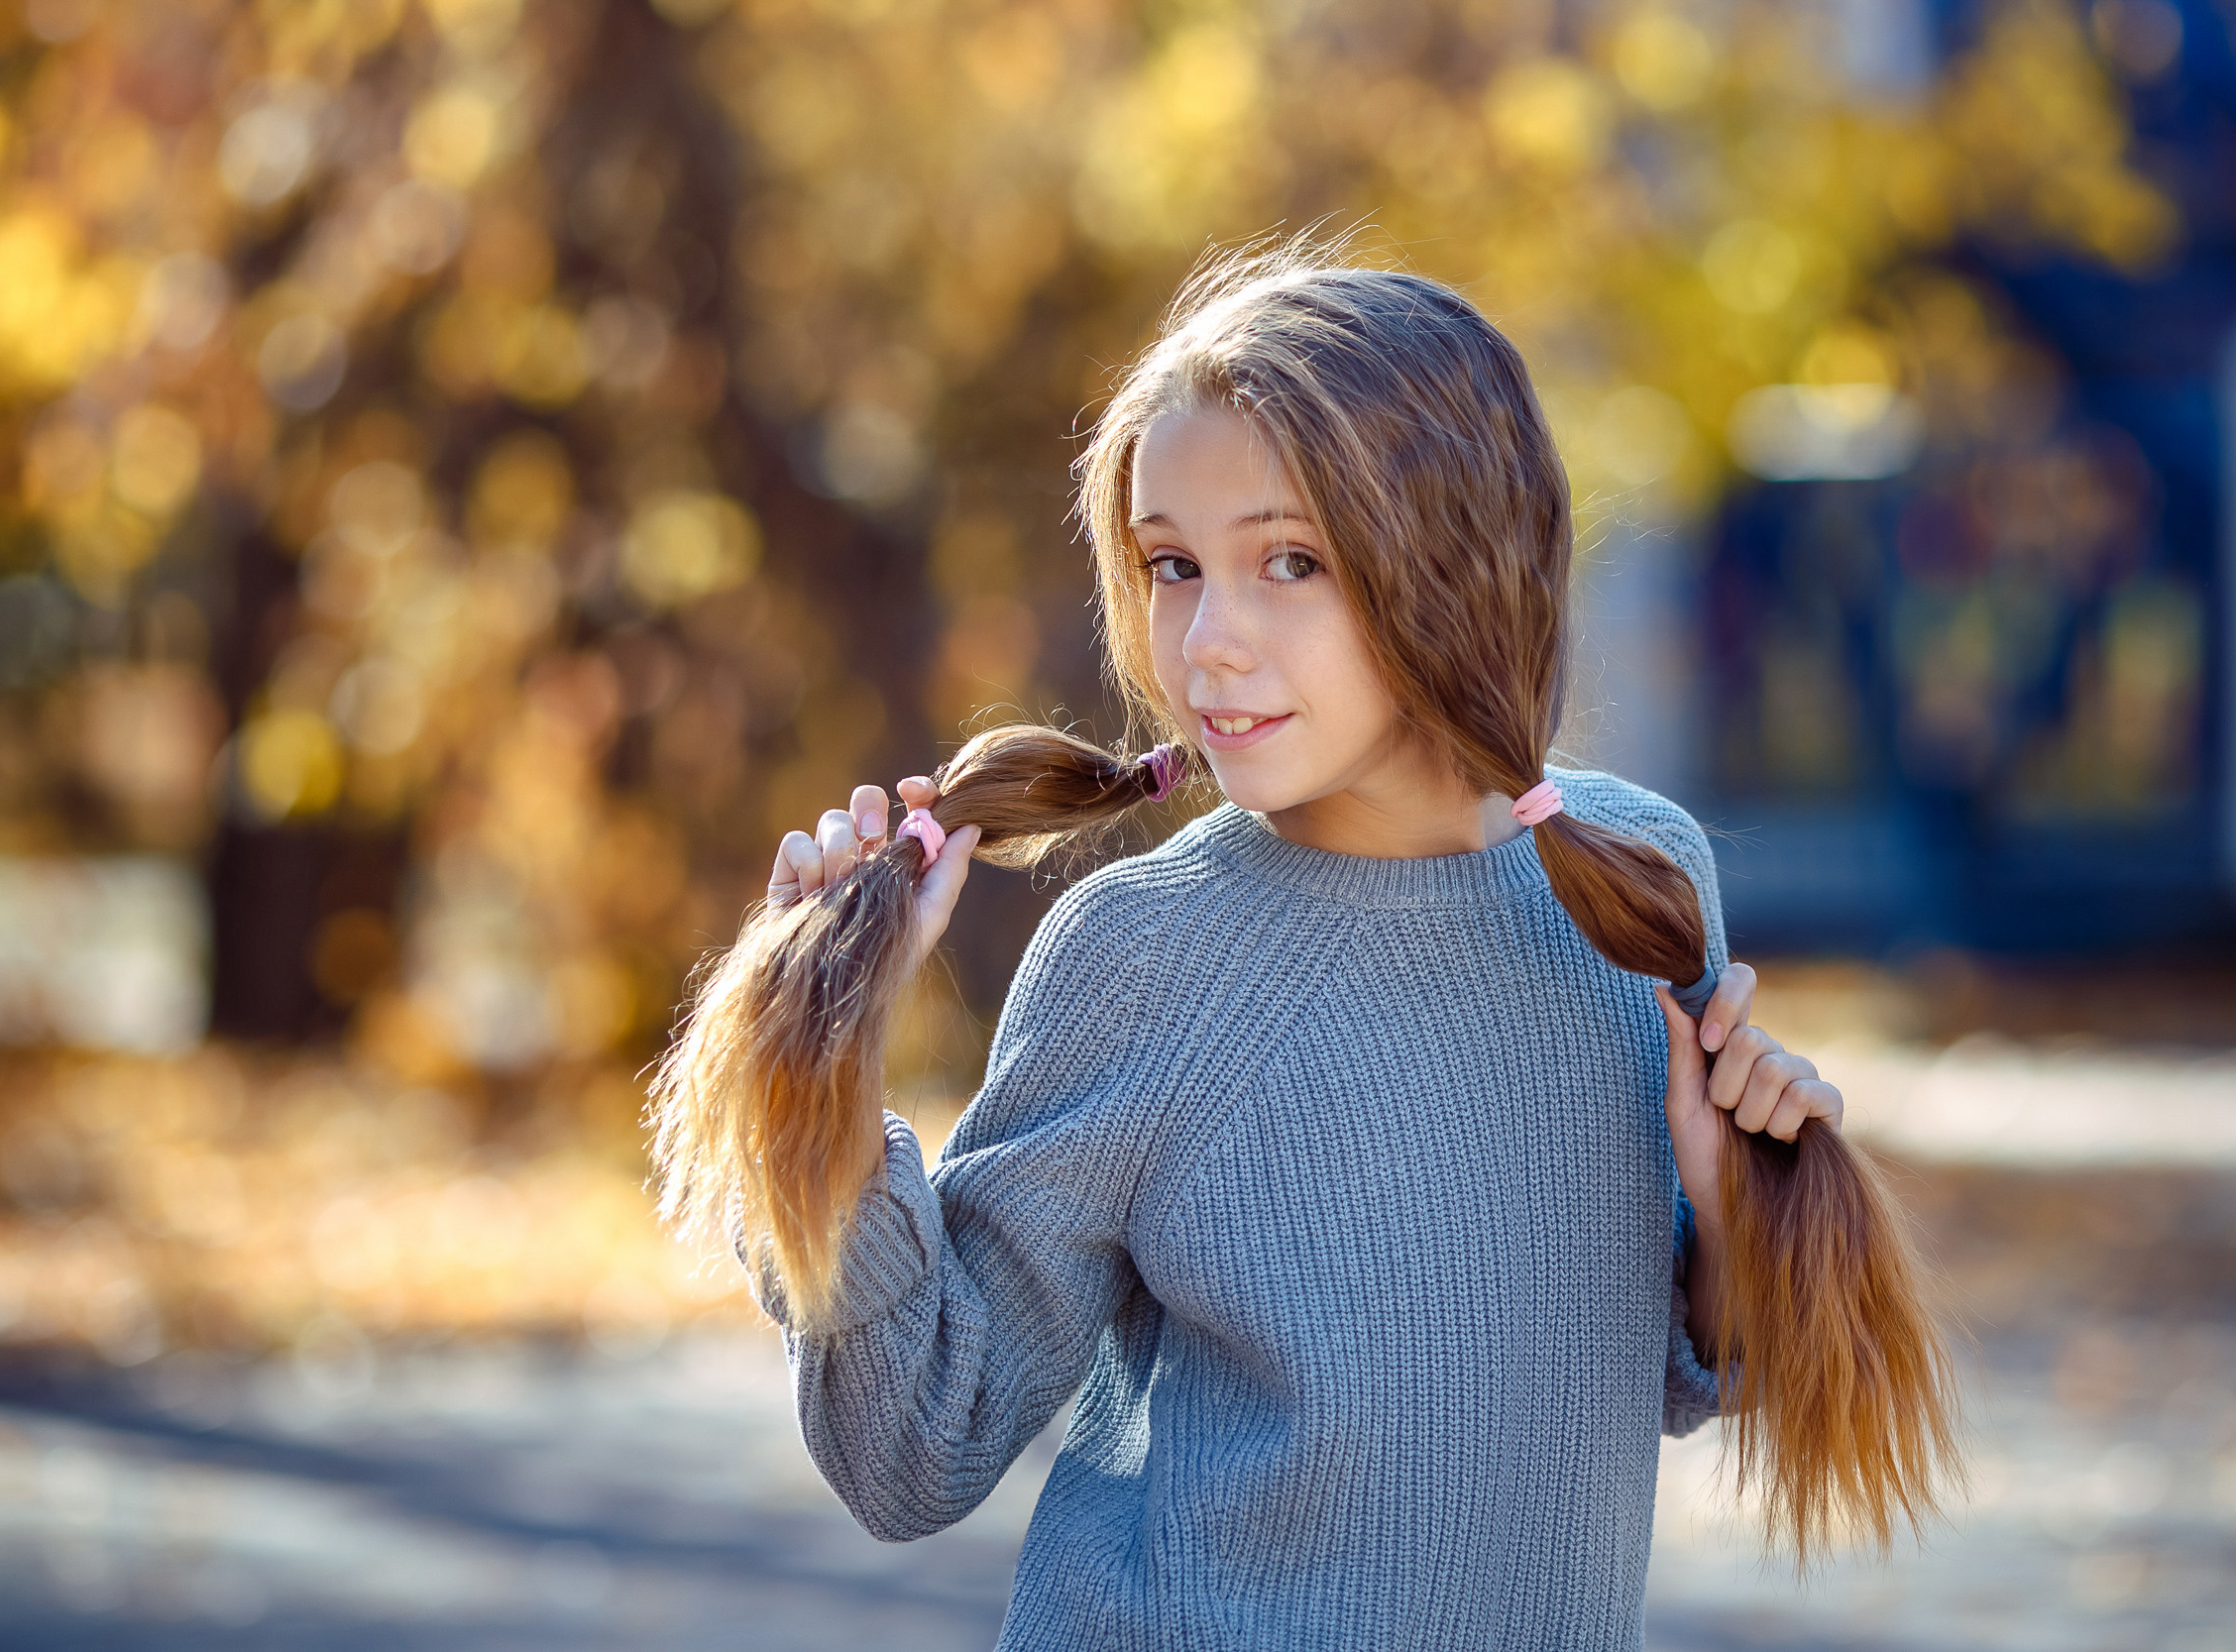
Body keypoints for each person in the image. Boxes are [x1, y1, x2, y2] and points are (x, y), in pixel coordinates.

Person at [652, 248, 1953, 1649]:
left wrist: (1726, 1205)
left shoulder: (1635, 887)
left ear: (1458, 562)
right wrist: (821, 1083)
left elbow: (1626, 1379)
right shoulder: (1145, 957)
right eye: (1171, 565)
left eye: (1290, 561)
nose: (1209, 640)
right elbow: (917, 1451)